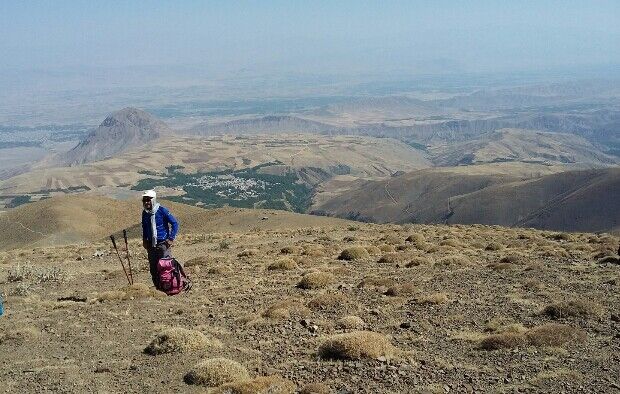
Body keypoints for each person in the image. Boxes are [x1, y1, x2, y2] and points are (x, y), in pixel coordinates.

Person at [141, 190, 179, 288]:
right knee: (153, 267)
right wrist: (144, 240)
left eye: (148, 200)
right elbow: (144, 227)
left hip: (163, 243)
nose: (146, 202)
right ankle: (158, 287)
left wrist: (171, 238)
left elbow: (174, 223)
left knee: (166, 266)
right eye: (144, 200)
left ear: (153, 200)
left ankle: (169, 286)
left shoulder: (162, 210)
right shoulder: (145, 213)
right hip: (151, 244)